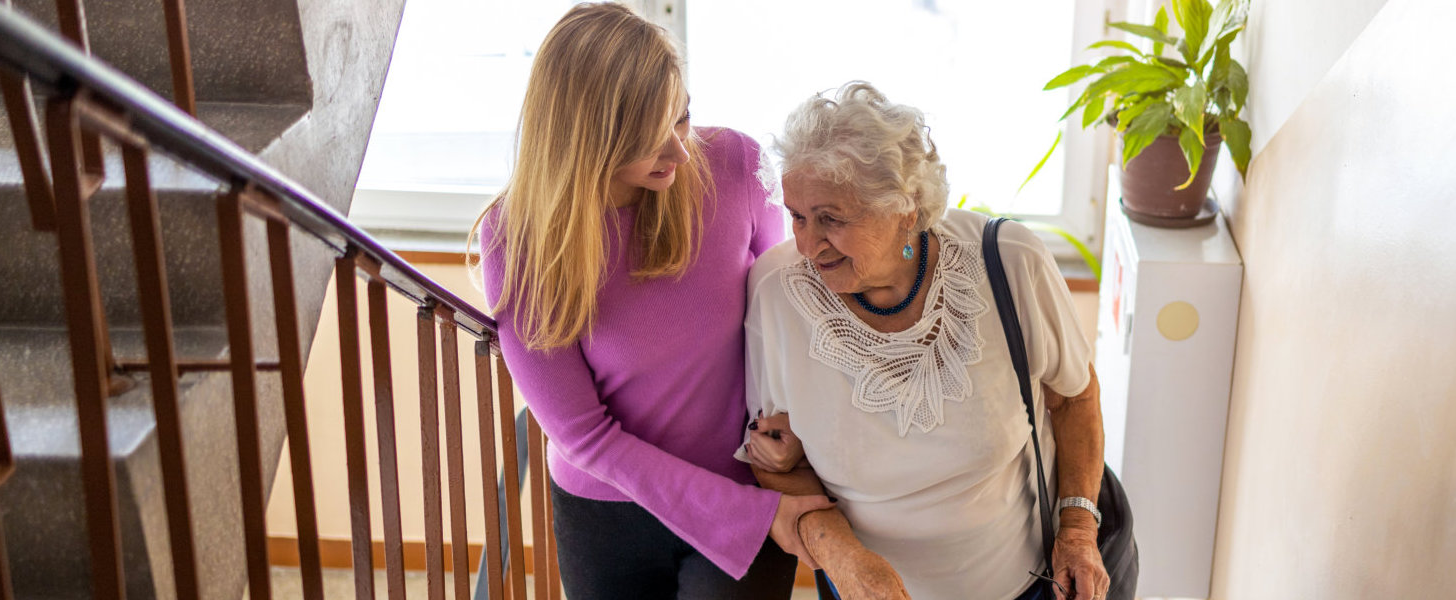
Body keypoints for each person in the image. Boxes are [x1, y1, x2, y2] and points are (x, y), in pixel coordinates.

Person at [471, 4, 832, 597]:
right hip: (606, 511)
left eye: (682, 117)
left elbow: (791, 313)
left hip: (748, 481)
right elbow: (584, 436)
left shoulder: (735, 165)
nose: (680, 152)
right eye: (647, 137)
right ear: (586, 137)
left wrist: (793, 426)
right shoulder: (518, 239)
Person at [738, 82, 1112, 600]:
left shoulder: (1011, 262)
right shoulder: (775, 292)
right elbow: (775, 460)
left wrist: (1077, 531)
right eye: (797, 216)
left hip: (1027, 585)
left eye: (831, 219)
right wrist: (844, 559)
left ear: (906, 210)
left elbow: (1074, 398)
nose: (806, 244)